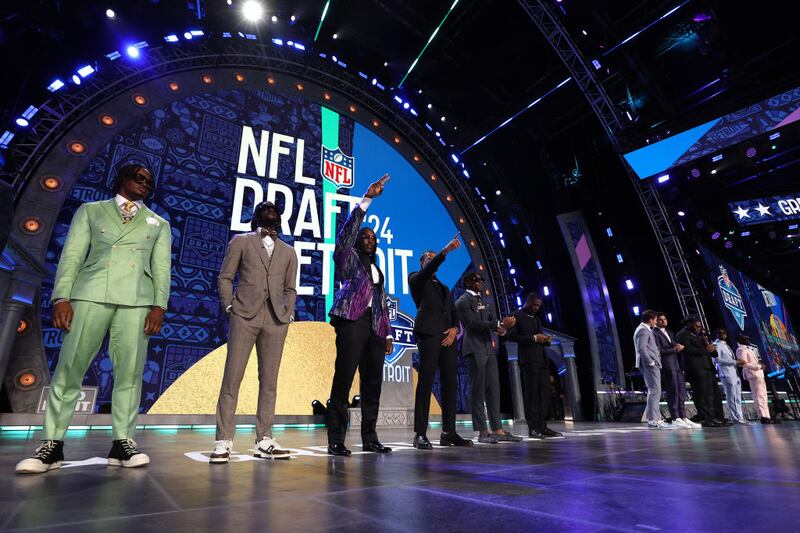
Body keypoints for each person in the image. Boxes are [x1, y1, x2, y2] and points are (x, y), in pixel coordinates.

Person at [16, 164, 171, 474]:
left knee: (130, 374)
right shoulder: (91, 211)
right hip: (90, 293)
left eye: (149, 182)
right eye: (139, 178)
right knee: (70, 368)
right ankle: (52, 444)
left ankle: (122, 443)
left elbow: (162, 268)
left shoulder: (158, 223)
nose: (144, 185)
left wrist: (159, 305)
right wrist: (62, 297)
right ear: (123, 179)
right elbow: (72, 255)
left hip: (137, 300)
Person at [210, 201, 298, 463]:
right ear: (256, 216)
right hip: (244, 315)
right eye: (265, 207)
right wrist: (229, 305)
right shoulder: (241, 241)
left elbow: (290, 288)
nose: (271, 209)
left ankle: (265, 438)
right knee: (232, 378)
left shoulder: (289, 251)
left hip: (276, 320)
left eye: (275, 209)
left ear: (279, 220)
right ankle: (223, 441)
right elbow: (225, 276)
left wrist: (288, 312)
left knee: (269, 382)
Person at [326, 175, 394, 456]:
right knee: (343, 379)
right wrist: (366, 201)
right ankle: (336, 439)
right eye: (364, 236)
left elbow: (380, 301)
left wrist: (388, 333)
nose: (368, 239)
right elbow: (345, 239)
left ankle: (370, 437)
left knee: (372, 384)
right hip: (352, 322)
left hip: (376, 329)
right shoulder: (349, 258)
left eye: (372, 238)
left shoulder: (377, 269)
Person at [409, 238, 473, 449]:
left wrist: (455, 329)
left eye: (431, 258)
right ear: (421, 264)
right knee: (426, 382)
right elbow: (430, 269)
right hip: (428, 335)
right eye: (426, 259)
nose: (430, 261)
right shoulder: (416, 279)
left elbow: (454, 313)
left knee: (450, 384)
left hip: (448, 338)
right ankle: (420, 434)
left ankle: (449, 432)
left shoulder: (445, 288)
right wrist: (444, 251)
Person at [455, 272, 522, 443]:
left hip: (488, 348)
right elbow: (472, 324)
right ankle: (482, 432)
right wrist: (498, 324)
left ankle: (498, 429)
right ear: (468, 283)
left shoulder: (484, 301)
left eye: (482, 280)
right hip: (474, 348)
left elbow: (493, 322)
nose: (481, 283)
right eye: (477, 280)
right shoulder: (462, 301)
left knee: (494, 390)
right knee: (477, 390)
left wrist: (502, 328)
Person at [508, 292, 564, 439]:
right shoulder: (516, 316)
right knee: (532, 395)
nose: (536, 308)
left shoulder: (537, 319)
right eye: (534, 305)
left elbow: (540, 338)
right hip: (528, 361)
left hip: (542, 361)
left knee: (544, 394)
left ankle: (543, 426)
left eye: (539, 306)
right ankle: (533, 428)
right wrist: (533, 338)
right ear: (527, 302)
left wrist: (546, 340)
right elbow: (511, 336)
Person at [676, 318, 728, 427]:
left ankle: (718, 417)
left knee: (714, 394)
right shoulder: (682, 334)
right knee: (702, 395)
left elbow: (714, 354)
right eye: (696, 326)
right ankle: (706, 418)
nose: (699, 328)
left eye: (700, 326)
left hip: (708, 367)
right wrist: (706, 350)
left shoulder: (702, 335)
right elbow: (688, 350)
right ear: (689, 325)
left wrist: (713, 350)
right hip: (696, 368)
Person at [652, 313, 698, 428]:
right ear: (656, 321)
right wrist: (674, 349)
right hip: (667, 365)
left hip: (676, 365)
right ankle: (675, 417)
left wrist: (677, 346)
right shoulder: (654, 333)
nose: (664, 321)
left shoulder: (670, 332)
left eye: (665, 319)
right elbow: (658, 351)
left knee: (681, 391)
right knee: (673, 391)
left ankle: (683, 416)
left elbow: (673, 345)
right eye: (661, 320)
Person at [634, 310, 674, 429]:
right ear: (651, 319)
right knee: (655, 391)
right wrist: (651, 362)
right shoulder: (643, 330)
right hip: (649, 364)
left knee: (655, 391)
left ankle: (655, 419)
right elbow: (642, 349)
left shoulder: (644, 329)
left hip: (651, 363)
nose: (656, 323)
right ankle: (654, 419)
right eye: (656, 320)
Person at [712, 329, 750, 425]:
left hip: (734, 373)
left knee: (737, 397)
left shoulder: (725, 344)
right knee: (732, 397)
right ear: (716, 335)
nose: (722, 334)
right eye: (719, 333)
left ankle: (740, 417)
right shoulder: (716, 345)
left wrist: (736, 363)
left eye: (724, 332)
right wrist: (736, 362)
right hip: (726, 374)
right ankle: (736, 418)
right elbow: (717, 360)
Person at [736, 335, 775, 424]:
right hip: (753, 375)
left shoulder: (749, 349)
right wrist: (758, 366)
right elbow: (744, 364)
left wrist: (760, 364)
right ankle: (763, 417)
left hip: (759, 374)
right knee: (758, 396)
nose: (748, 339)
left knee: (764, 396)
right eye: (746, 339)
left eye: (748, 338)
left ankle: (767, 416)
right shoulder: (741, 349)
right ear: (741, 340)